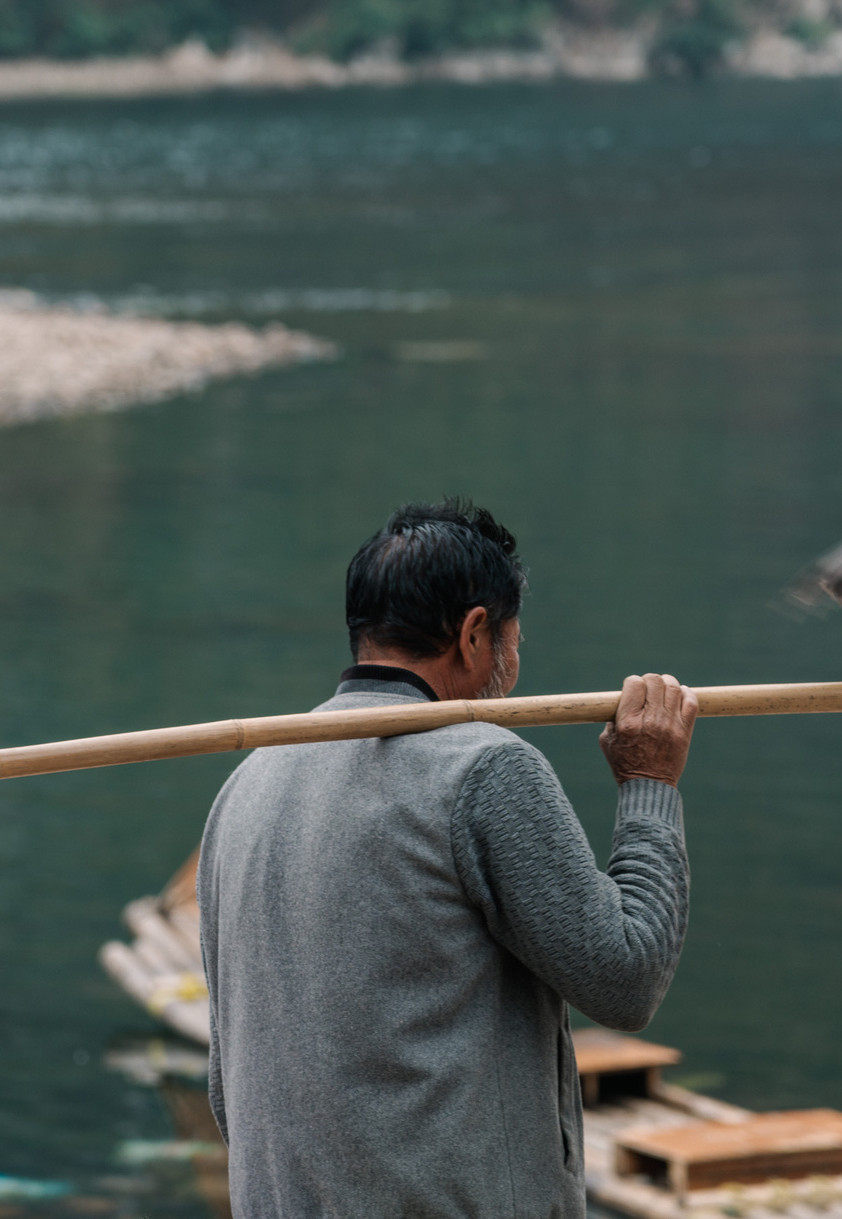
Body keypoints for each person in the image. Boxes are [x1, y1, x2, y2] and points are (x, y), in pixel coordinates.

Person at [198, 498, 697, 1218]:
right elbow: (627, 976)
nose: (515, 663)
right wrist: (649, 781)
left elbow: (226, 1079)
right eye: (514, 638)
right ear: (474, 634)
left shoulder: (247, 782)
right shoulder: (484, 768)